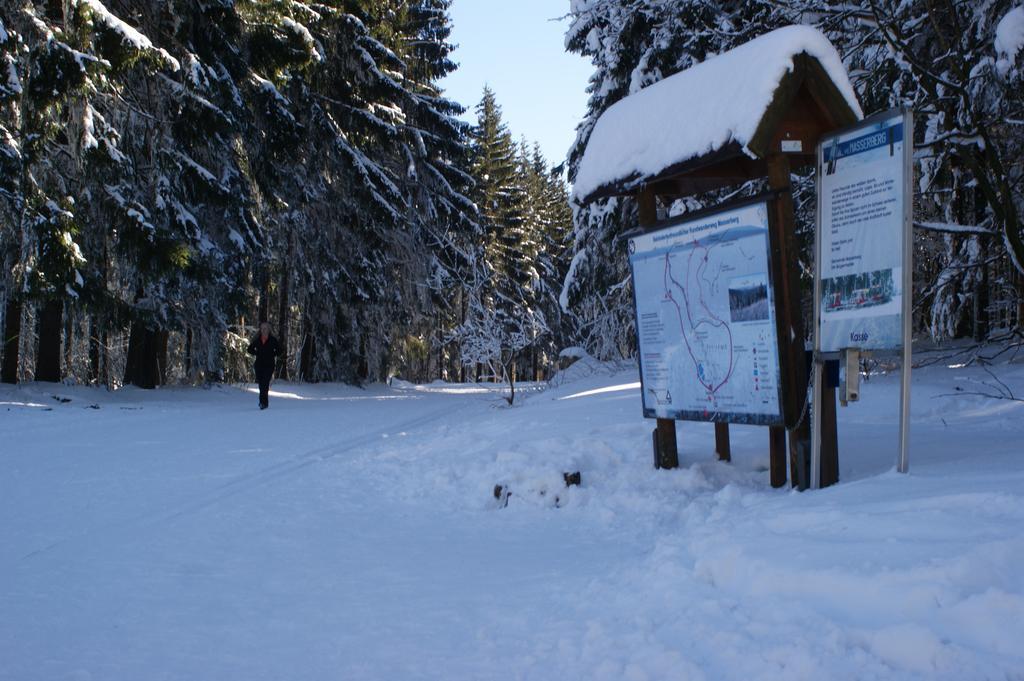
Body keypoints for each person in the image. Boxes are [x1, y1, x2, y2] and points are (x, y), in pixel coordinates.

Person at [247, 321, 281, 410]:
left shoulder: (273, 340)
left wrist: (272, 354)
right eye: (262, 328)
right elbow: (249, 349)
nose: (263, 330)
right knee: (261, 384)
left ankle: (263, 403)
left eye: (265, 328)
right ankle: (263, 402)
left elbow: (280, 350)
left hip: (269, 365)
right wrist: (257, 353)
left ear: (269, 329)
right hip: (259, 365)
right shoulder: (257, 339)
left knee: (265, 383)